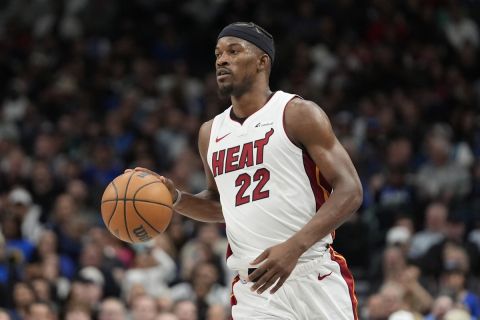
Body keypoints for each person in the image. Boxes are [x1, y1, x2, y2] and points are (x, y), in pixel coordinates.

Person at [129, 21, 363, 319]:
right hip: (256, 288)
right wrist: (176, 198)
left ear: (262, 61)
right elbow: (220, 205)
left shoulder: (297, 114)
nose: (221, 60)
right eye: (217, 54)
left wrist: (294, 247)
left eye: (233, 51)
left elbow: (351, 190)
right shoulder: (210, 132)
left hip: (312, 273)